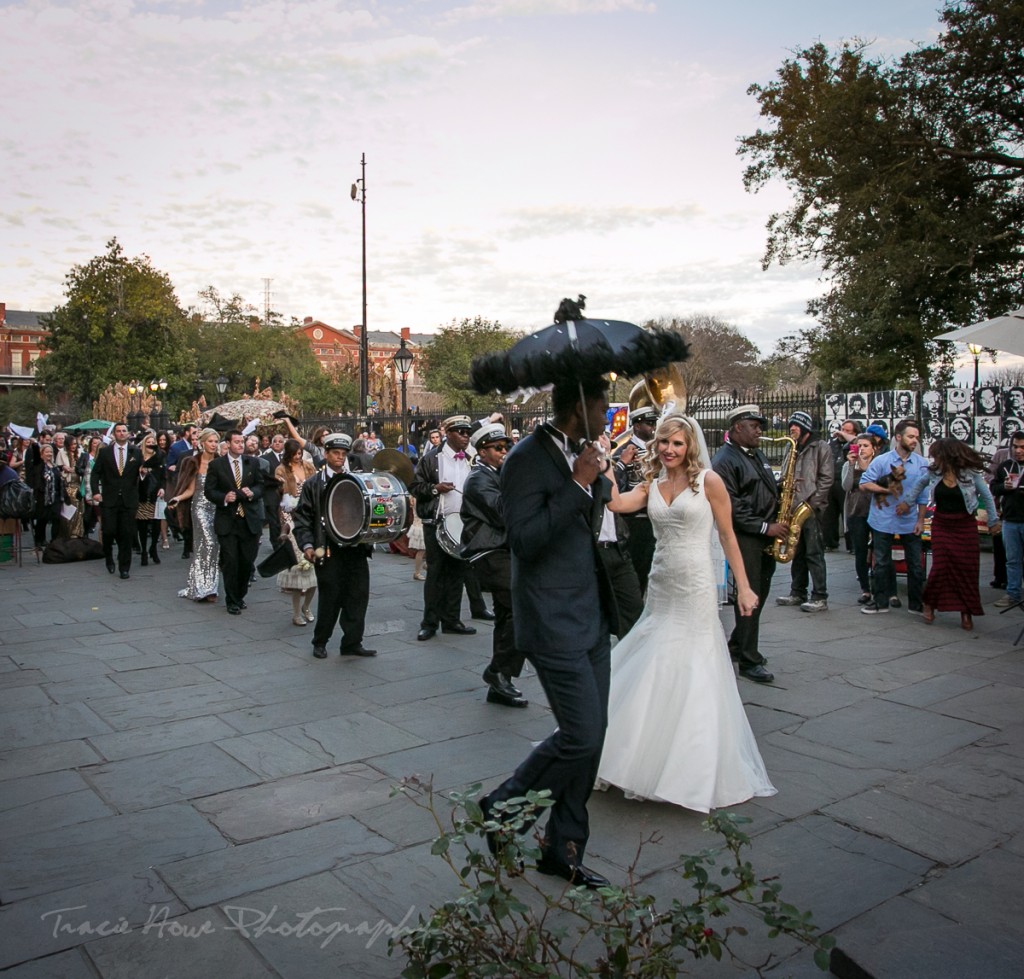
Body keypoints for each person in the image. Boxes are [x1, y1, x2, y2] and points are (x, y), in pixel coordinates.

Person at [596, 415, 776, 810]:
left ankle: (688, 767)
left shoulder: (709, 482)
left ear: (690, 446)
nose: (669, 450)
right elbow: (616, 503)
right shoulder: (652, 485)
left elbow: (728, 535)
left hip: (695, 583)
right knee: (654, 653)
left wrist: (744, 587)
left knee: (694, 662)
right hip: (662, 583)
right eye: (664, 443)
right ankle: (634, 751)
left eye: (677, 444)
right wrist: (606, 462)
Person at [481, 378, 619, 890]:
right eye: (603, 404)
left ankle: (563, 849)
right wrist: (578, 484)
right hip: (550, 617)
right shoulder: (524, 458)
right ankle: (502, 807)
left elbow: (590, 522)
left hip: (590, 613)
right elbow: (524, 539)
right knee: (581, 734)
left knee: (593, 738)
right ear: (579, 407)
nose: (609, 413)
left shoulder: (582, 451)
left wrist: (596, 479)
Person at [711, 405, 786, 684]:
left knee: (760, 593)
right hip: (747, 536)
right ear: (738, 427)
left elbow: (760, 487)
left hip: (764, 534)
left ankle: (738, 643)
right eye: (754, 426)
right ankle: (748, 659)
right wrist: (767, 527)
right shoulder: (724, 460)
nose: (759, 431)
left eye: (760, 426)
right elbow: (732, 506)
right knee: (749, 595)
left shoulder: (755, 454)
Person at [292, 433, 377, 658]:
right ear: (326, 454)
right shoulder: (313, 484)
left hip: (355, 548)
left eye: (343, 454)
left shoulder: (356, 481)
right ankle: (320, 641)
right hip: (327, 548)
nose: (340, 458)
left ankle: (352, 642)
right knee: (330, 597)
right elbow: (302, 519)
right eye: (336, 453)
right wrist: (308, 544)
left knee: (358, 596)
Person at [460, 422, 527, 708]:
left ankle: (500, 683)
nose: (504, 452)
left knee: (508, 615)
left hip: (504, 550)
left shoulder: (498, 474)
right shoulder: (478, 479)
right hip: (489, 552)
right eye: (498, 448)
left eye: (506, 447)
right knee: (521, 610)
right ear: (482, 451)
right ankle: (497, 671)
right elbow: (503, 512)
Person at [911, 438, 1000, 630]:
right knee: (940, 567)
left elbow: (986, 495)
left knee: (966, 569)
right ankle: (930, 603)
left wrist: (993, 520)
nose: (934, 459)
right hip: (942, 524)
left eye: (937, 455)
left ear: (947, 455)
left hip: (965, 524)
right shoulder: (934, 473)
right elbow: (918, 486)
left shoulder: (970, 474)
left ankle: (966, 612)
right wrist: (907, 503)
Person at [411, 415, 479, 642]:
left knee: (456, 575)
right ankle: (429, 623)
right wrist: (435, 489)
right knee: (436, 575)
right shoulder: (432, 459)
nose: (466, 436)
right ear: (448, 433)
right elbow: (415, 486)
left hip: (462, 525)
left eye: (468, 432)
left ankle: (452, 620)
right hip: (437, 523)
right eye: (461, 432)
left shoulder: (470, 459)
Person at [858, 419, 930, 615]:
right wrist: (886, 490)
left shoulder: (922, 464)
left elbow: (924, 495)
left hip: (909, 521)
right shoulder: (882, 461)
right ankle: (880, 602)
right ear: (899, 437)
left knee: (915, 565)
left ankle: (916, 604)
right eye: (910, 436)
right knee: (881, 562)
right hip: (883, 519)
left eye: (916, 437)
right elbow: (864, 483)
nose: (914, 440)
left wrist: (920, 520)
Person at [775, 411, 833, 613]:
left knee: (814, 552)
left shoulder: (821, 447)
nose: (792, 429)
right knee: (796, 551)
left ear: (806, 428)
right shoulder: (791, 447)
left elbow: (826, 479)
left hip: (809, 508)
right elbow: (785, 474)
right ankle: (797, 591)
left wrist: (812, 504)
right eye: (791, 426)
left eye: (796, 426)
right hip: (792, 506)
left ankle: (819, 595)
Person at [204, 429, 265, 615]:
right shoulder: (217, 465)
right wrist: (224, 497)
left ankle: (240, 595)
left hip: (249, 519)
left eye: (242, 441)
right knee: (231, 561)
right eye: (237, 442)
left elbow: (261, 485)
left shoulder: (252, 463)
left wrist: (253, 492)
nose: (240, 445)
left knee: (247, 561)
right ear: (228, 444)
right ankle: (231, 600)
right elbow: (209, 491)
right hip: (228, 520)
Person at [170, 428, 221, 603]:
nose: (213, 444)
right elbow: (191, 489)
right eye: (210, 441)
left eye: (216, 441)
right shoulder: (194, 462)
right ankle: (201, 586)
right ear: (202, 443)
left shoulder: (221, 463)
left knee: (215, 547)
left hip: (218, 508)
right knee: (206, 543)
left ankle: (211, 587)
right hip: (199, 507)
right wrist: (177, 498)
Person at [612, 405, 658, 594]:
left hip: (657, 518)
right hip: (635, 522)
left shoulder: (660, 449)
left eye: (654, 423)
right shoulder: (622, 452)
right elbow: (616, 491)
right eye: (649, 424)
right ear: (637, 426)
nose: (653, 427)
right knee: (638, 576)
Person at [90, 422, 142, 579]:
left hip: (129, 499)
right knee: (109, 531)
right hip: (109, 499)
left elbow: (142, 472)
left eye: (124, 431)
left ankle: (124, 567)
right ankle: (109, 557)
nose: (121, 433)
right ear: (114, 434)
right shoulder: (105, 452)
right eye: (118, 431)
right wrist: (96, 492)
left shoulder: (136, 452)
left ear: (128, 433)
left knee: (126, 534)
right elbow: (95, 473)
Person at [843, 433, 883, 604]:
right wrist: (852, 465)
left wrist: (866, 467)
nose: (862, 449)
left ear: (874, 448)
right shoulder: (849, 463)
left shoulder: (880, 464)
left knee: (880, 550)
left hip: (878, 510)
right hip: (856, 510)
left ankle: (882, 587)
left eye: (866, 445)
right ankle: (865, 589)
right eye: (858, 445)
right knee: (860, 551)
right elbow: (845, 486)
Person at [992, 432, 1024, 611]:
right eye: (1015, 447)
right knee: (1012, 559)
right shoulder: (1006, 466)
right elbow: (994, 487)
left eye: (1022, 447)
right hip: (1010, 519)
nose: (1018, 451)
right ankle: (1013, 593)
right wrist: (1003, 487)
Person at [822, 419, 861, 550]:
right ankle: (830, 542)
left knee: (848, 515)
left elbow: (856, 440)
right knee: (829, 515)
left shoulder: (855, 443)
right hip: (831, 481)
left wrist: (845, 435)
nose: (842, 432)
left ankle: (852, 545)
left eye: (847, 430)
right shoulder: (832, 444)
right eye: (842, 429)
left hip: (845, 481)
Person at [135, 432, 166, 566]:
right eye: (148, 442)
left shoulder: (160, 457)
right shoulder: (138, 458)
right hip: (142, 495)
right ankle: (143, 552)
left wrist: (163, 488)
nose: (151, 444)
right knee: (142, 525)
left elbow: (163, 476)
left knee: (156, 524)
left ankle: (153, 548)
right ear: (144, 444)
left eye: (153, 442)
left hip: (156, 494)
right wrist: (141, 472)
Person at [28, 443, 63, 554]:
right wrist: (34, 445)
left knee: (56, 518)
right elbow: (35, 455)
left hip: (55, 496)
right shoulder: (39, 465)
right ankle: (40, 540)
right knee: (42, 519)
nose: (49, 454)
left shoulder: (55, 466)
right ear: (42, 454)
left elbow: (58, 481)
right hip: (42, 496)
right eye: (47, 452)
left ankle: (54, 540)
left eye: (51, 452)